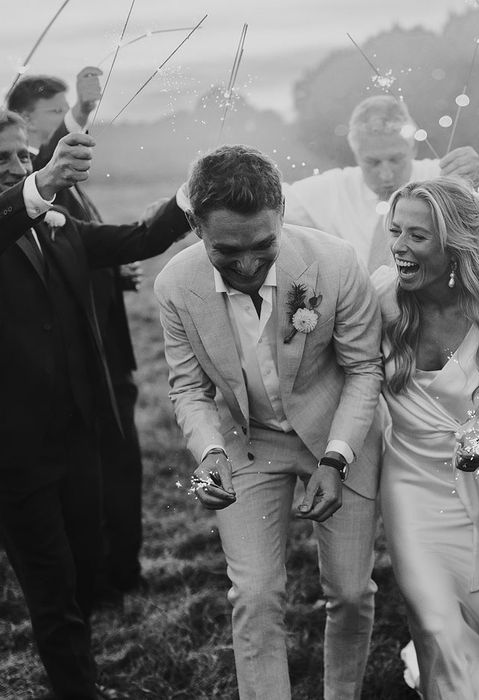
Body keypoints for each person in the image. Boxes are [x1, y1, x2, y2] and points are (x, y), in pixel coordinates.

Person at [154, 145, 383, 700]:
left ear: (281, 213)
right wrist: (209, 454)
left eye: (263, 245)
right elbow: (189, 388)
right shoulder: (175, 286)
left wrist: (337, 457)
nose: (249, 265)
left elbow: (363, 368)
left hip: (336, 433)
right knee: (255, 596)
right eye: (226, 251)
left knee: (351, 592)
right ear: (195, 226)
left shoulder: (334, 262)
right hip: (245, 442)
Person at [0, 112, 190, 699]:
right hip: (15, 453)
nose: (18, 164)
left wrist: (192, 194)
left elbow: (139, 238)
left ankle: (80, 666)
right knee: (51, 587)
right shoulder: (22, 211)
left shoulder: (57, 226)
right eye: (3, 157)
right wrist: (41, 185)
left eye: (23, 155)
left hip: (80, 436)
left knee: (84, 566)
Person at [373, 177, 479, 699]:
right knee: (432, 616)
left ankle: (476, 653)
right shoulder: (380, 298)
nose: (399, 246)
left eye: (417, 237)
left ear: (456, 245)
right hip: (410, 483)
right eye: (395, 230)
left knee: (473, 613)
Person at [8, 68, 147, 595]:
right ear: (23, 120)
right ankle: (104, 576)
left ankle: (123, 570)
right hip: (74, 356)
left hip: (109, 340)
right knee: (101, 468)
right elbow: (39, 173)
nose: (63, 123)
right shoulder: (31, 178)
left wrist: (115, 274)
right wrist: (82, 112)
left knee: (123, 464)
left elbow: (80, 248)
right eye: (54, 113)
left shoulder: (58, 183)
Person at [283, 94, 479, 271]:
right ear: (356, 154)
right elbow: (275, 200)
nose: (386, 174)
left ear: (413, 147)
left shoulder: (440, 175)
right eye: (373, 163)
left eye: (396, 160)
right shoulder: (334, 188)